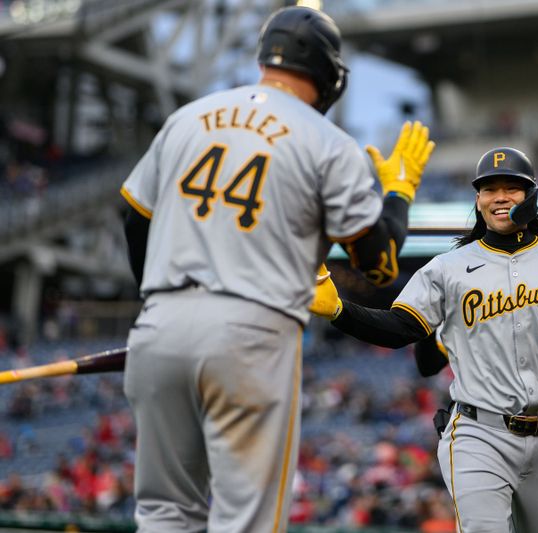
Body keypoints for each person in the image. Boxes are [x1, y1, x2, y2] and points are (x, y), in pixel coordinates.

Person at [119, 6, 434, 532]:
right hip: (249, 333)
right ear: (330, 75)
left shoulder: (188, 118)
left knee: (164, 514)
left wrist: (156, 310)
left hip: (160, 327)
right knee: (247, 522)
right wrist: (398, 191)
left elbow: (135, 219)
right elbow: (378, 264)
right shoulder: (328, 142)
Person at [310, 147, 538, 532]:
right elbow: (401, 330)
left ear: (530, 196)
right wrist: (339, 311)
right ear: (478, 200)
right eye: (489, 189)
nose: (500, 196)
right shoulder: (449, 269)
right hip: (481, 434)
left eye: (511, 188)